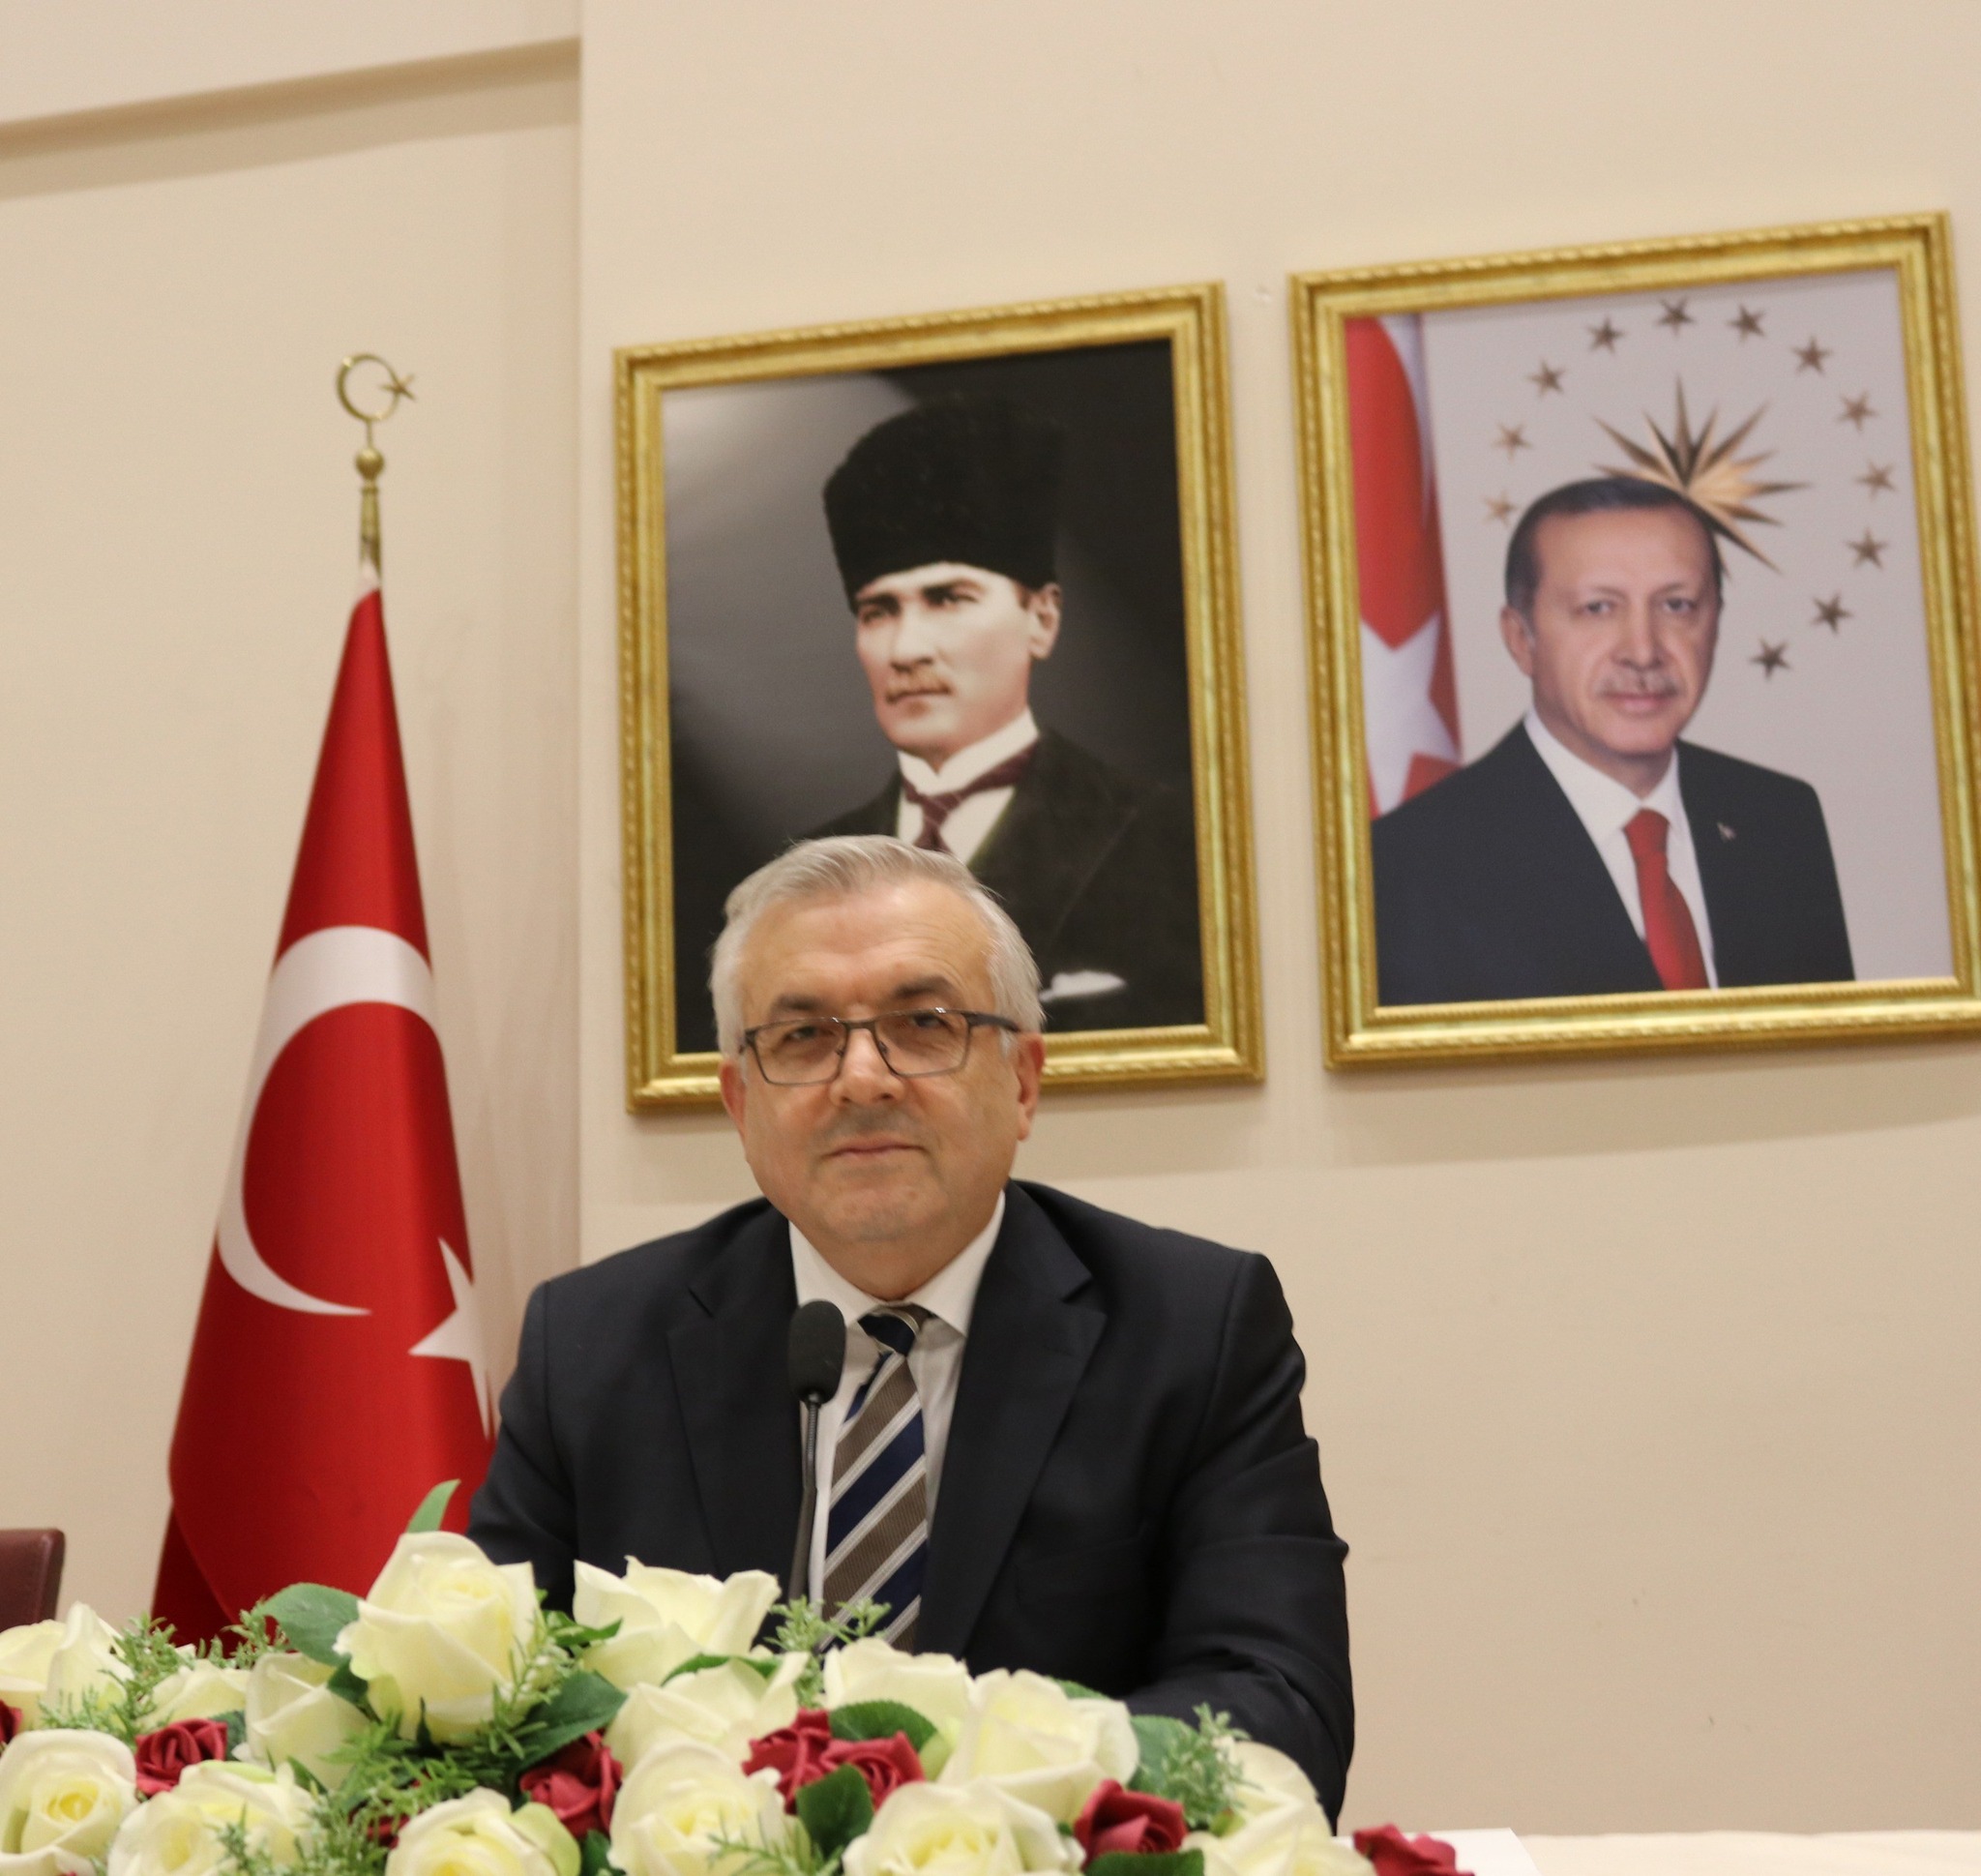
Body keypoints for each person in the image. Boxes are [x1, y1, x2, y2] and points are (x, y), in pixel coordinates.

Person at [469, 836, 1352, 1818]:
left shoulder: (1192, 1331)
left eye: (923, 1024)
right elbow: (486, 1714)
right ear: (740, 1104)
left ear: (1023, 1081)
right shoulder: (589, 1349)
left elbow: (1279, 1705)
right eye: (803, 1037)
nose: (862, 1078)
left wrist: (962, 1815)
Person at [1372, 478, 1854, 1005]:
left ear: (1715, 625)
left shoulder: (1780, 821)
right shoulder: (1410, 869)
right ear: (1521, 640)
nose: (1643, 652)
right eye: (1598, 608)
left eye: (1677, 606)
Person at [806, 395, 1203, 1031]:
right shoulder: (809, 868)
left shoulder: (1162, 841)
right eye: (878, 611)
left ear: (1041, 619)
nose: (905, 650)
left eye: (947, 599)